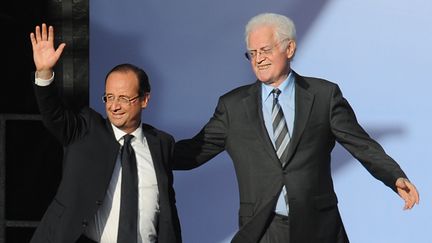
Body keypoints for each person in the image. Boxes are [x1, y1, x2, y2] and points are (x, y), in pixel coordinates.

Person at [173, 13, 419, 243]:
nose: (258, 59)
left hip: (318, 227)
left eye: (265, 50)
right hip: (261, 229)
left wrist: (393, 176)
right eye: (252, 53)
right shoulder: (233, 107)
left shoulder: (324, 96)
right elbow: (194, 151)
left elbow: (361, 145)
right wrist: (141, 144)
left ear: (289, 48)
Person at [29, 23, 182, 243]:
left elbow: (168, 212)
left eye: (123, 98)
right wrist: (44, 73)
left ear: (144, 99)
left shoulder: (162, 144)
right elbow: (54, 115)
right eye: (109, 97)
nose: (114, 106)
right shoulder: (87, 129)